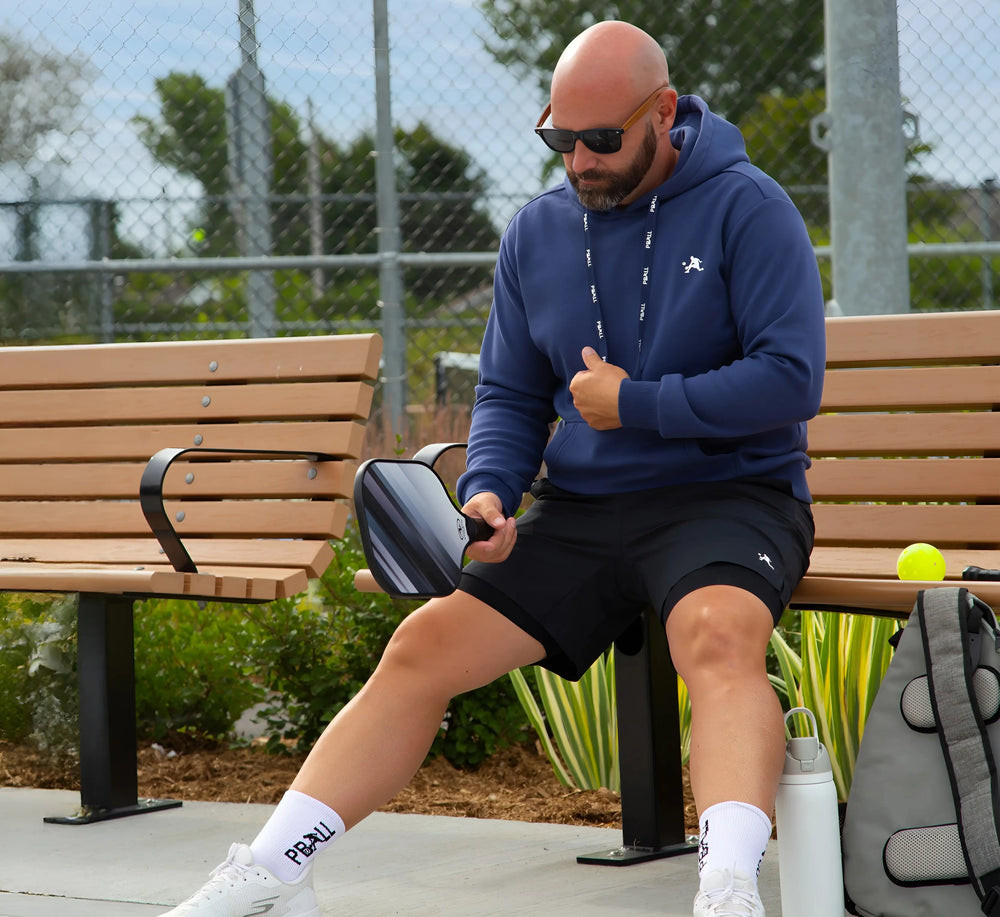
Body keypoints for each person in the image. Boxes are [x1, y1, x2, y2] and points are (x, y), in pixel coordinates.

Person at [160, 19, 825, 917]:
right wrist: (487, 495)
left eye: (603, 139)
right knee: (422, 644)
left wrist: (636, 403)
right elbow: (511, 396)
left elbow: (792, 379)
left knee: (716, 637)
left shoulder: (749, 206)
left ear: (663, 113)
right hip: (584, 506)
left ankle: (730, 890)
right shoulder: (538, 233)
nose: (581, 161)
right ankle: (275, 873)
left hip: (728, 496)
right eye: (561, 139)